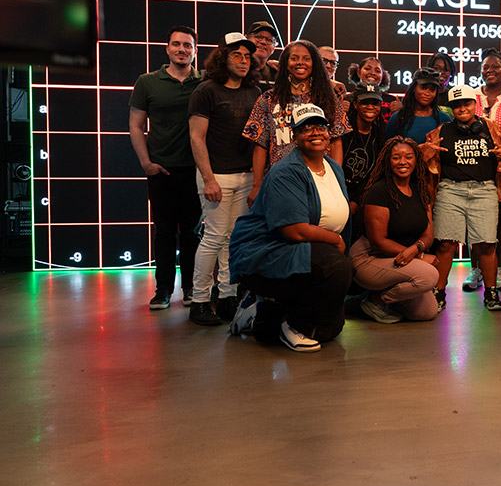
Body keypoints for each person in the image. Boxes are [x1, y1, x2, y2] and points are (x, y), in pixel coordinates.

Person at [228, 104, 353, 352]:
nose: (315, 132)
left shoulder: (334, 168)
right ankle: (295, 326)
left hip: (311, 249)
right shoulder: (286, 172)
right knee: (337, 268)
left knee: (332, 328)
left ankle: (261, 312)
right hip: (268, 250)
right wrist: (336, 241)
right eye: (306, 128)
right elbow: (294, 231)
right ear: (294, 137)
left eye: (320, 126)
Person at [186, 32, 262, 325]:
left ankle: (227, 297)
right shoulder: (206, 91)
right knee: (213, 239)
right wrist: (208, 179)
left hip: (244, 176)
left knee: (234, 240)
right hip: (216, 176)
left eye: (247, 57)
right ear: (223, 58)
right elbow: (196, 138)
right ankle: (200, 302)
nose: (243, 61)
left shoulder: (253, 92)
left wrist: (256, 181)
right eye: (236, 56)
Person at [128, 25, 203, 311]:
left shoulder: (204, 82)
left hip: (195, 171)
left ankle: (191, 289)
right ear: (167, 48)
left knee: (192, 234)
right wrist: (146, 163)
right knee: (163, 232)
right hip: (162, 171)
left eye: (187, 45)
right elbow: (135, 126)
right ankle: (162, 290)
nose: (182, 49)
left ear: (195, 50)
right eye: (176, 44)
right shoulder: (147, 82)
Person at [421, 85, 501, 312]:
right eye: (456, 105)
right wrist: (428, 151)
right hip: (451, 190)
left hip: (484, 189)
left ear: (474, 104)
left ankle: (491, 293)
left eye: (466, 103)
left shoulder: (490, 127)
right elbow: (423, 158)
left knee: (487, 245)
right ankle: (439, 293)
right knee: (446, 244)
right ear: (451, 109)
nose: (462, 108)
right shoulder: (442, 131)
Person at [242, 39, 349, 207]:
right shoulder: (268, 99)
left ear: (314, 63)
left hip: (320, 179)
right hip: (280, 179)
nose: (300, 62)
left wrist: (336, 179)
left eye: (306, 58)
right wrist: (257, 186)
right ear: (285, 63)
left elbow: (336, 141)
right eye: (294, 58)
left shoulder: (328, 98)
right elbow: (260, 144)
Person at [349, 137, 439, 324]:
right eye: (396, 158)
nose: (403, 162)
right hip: (369, 259)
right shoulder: (379, 191)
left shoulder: (421, 191)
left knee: (426, 312)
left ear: (416, 160)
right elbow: (378, 242)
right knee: (428, 276)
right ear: (388, 161)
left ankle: (370, 299)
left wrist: (417, 249)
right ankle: (375, 301)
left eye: (408, 157)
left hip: (401, 257)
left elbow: (428, 235)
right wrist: (420, 257)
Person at [462, 48, 501, 293]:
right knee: (474, 221)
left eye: (495, 66)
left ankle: (499, 270)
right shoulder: (471, 95)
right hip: (472, 167)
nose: (490, 71)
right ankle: (475, 269)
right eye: (485, 67)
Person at [341, 83, 387, 237]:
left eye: (375, 103)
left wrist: (356, 200)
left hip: (361, 196)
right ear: (355, 104)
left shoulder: (379, 135)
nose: (370, 107)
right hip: (338, 192)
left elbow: (374, 174)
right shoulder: (344, 130)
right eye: (365, 102)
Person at [386, 68, 451, 144]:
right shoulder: (398, 118)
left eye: (432, 90)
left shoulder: (444, 119)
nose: (427, 93)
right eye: (423, 88)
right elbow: (388, 149)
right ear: (414, 88)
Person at [347, 55, 401, 120]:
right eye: (367, 69)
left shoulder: (392, 101)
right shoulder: (347, 100)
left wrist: (401, 112)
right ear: (358, 72)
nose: (372, 73)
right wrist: (339, 111)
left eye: (377, 71)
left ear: (382, 76)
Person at [246, 21, 279, 88]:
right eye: (258, 37)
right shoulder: (233, 70)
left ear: (273, 48)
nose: (263, 42)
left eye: (269, 40)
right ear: (246, 39)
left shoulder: (277, 75)